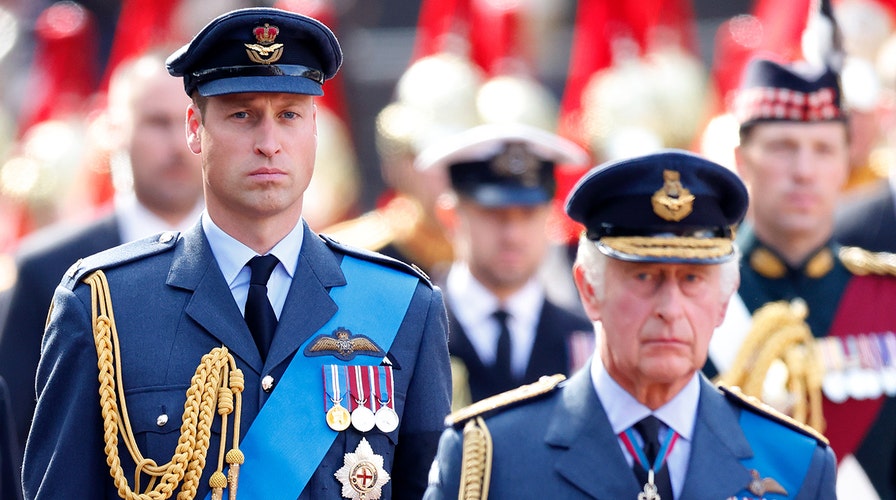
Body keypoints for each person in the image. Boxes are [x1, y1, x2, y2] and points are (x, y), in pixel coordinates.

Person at [22, 8, 450, 500]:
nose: (268, 143)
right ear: (194, 129)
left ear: (315, 128)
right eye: (242, 114)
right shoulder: (105, 308)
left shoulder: (402, 306)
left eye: (289, 114)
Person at [424, 149, 837, 499]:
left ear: (724, 301)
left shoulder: (795, 461)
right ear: (589, 290)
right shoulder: (491, 456)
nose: (670, 308)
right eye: (644, 277)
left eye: (692, 279)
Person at [0, 47, 205, 475]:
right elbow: (18, 434)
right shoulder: (45, 269)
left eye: (191, 121)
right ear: (113, 131)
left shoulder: (254, 262)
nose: (177, 144)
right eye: (156, 122)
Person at [710, 56, 896, 499]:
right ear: (742, 159)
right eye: (782, 147)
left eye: (824, 149)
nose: (804, 171)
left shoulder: (887, 297)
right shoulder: (696, 291)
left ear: (848, 162)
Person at [414, 123, 593, 408]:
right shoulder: (413, 331)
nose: (513, 235)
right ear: (450, 216)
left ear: (550, 216)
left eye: (528, 214)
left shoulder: (585, 342)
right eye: (494, 214)